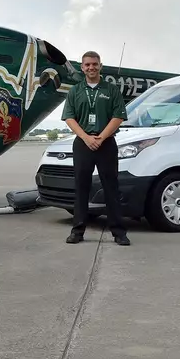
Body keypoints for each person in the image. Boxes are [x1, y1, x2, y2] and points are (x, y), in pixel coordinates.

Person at [62, 50, 131, 246]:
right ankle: (77, 231)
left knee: (111, 187)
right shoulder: (75, 91)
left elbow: (118, 116)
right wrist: (86, 137)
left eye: (94, 64)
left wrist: (100, 138)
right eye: (87, 65)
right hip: (83, 144)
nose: (91, 67)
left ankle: (119, 232)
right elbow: (69, 117)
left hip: (106, 143)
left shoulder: (111, 90)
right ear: (82, 67)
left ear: (100, 65)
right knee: (81, 187)